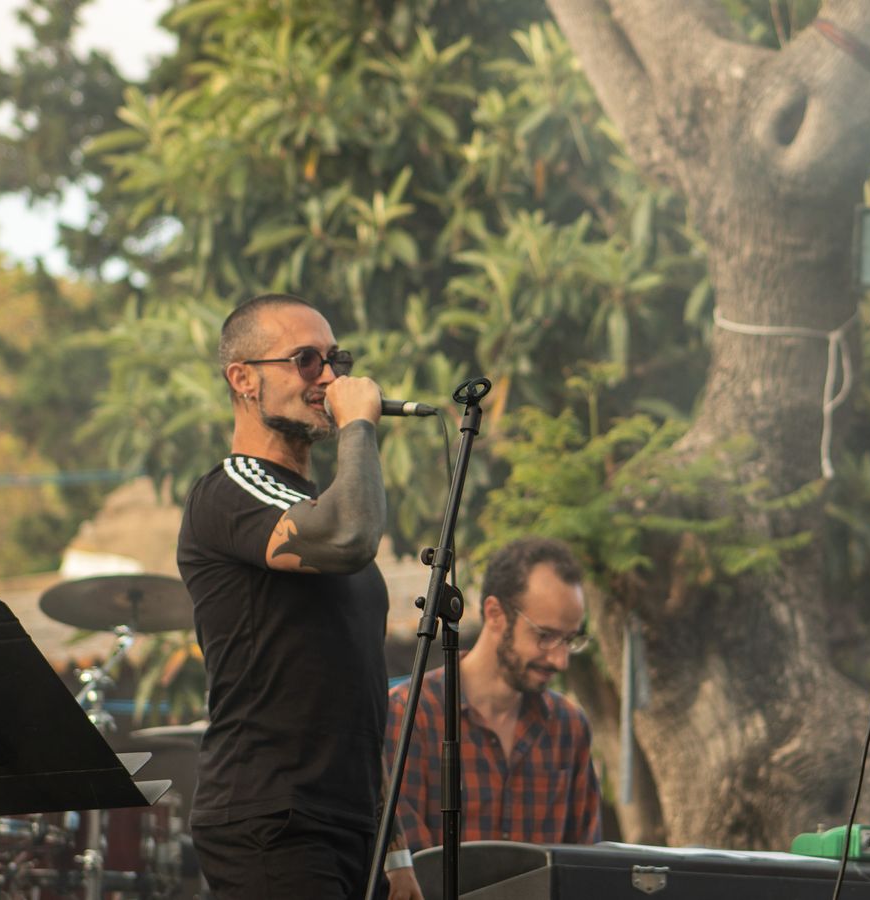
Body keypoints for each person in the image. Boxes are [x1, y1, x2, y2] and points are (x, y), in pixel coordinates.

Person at [176, 293, 419, 899]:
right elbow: (349, 534)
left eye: (336, 359)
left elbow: (356, 696)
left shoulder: (321, 511)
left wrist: (395, 851)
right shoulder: (230, 491)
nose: (331, 377)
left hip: (352, 826)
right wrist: (358, 425)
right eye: (306, 360)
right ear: (243, 380)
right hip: (273, 820)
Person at [382, 536, 603, 869]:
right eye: (545, 636)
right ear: (495, 613)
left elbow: (586, 868)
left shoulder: (569, 726)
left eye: (569, 640)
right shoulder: (410, 713)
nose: (560, 660)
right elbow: (411, 872)